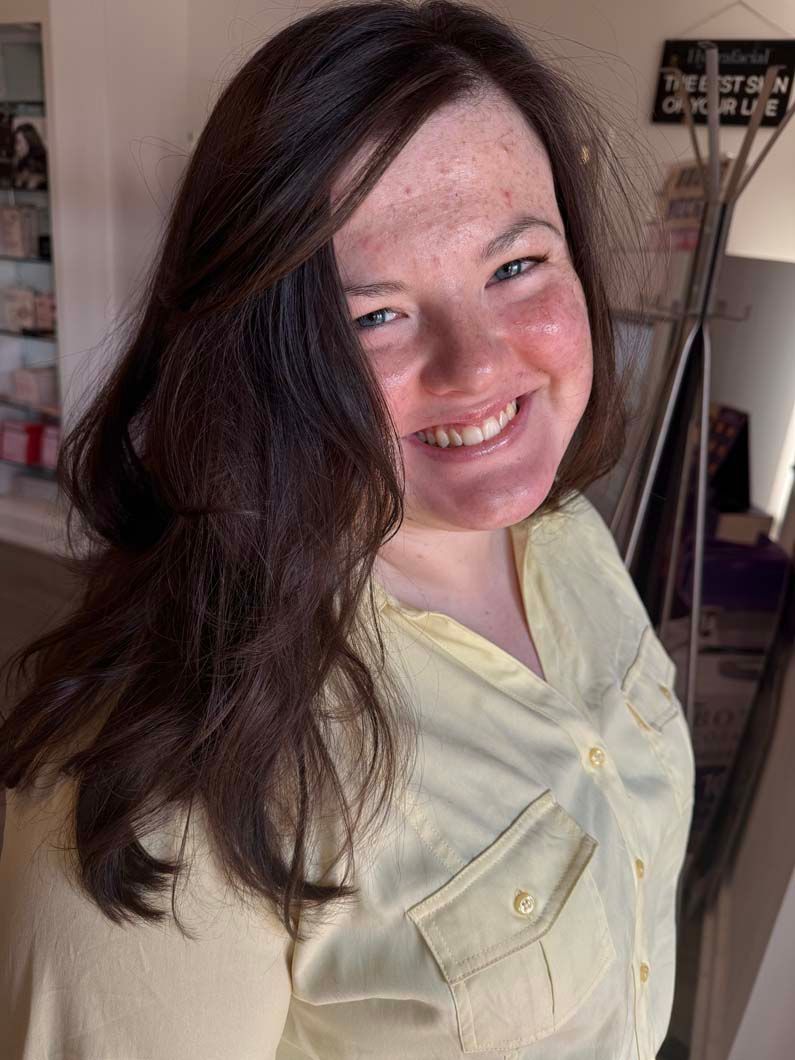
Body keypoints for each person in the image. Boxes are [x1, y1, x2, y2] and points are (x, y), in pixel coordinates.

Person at [0, 2, 695, 1057]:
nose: (479, 366)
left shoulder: (563, 534)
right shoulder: (167, 787)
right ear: (256, 352)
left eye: (517, 266)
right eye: (373, 315)